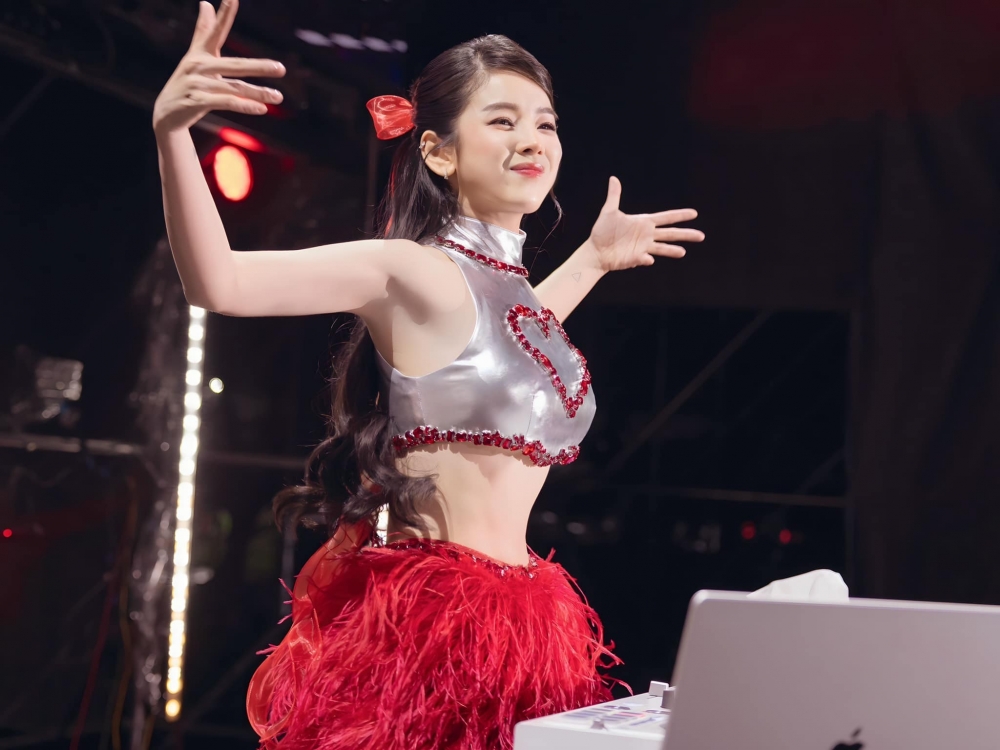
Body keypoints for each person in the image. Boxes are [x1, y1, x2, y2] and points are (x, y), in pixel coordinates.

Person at [152, 2, 704, 748]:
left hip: (531, 620)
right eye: (502, 120)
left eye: (545, 123)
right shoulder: (409, 269)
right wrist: (173, 133)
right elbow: (221, 282)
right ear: (438, 153)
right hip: (436, 626)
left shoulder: (511, 296)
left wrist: (594, 260)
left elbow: (507, 351)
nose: (532, 139)